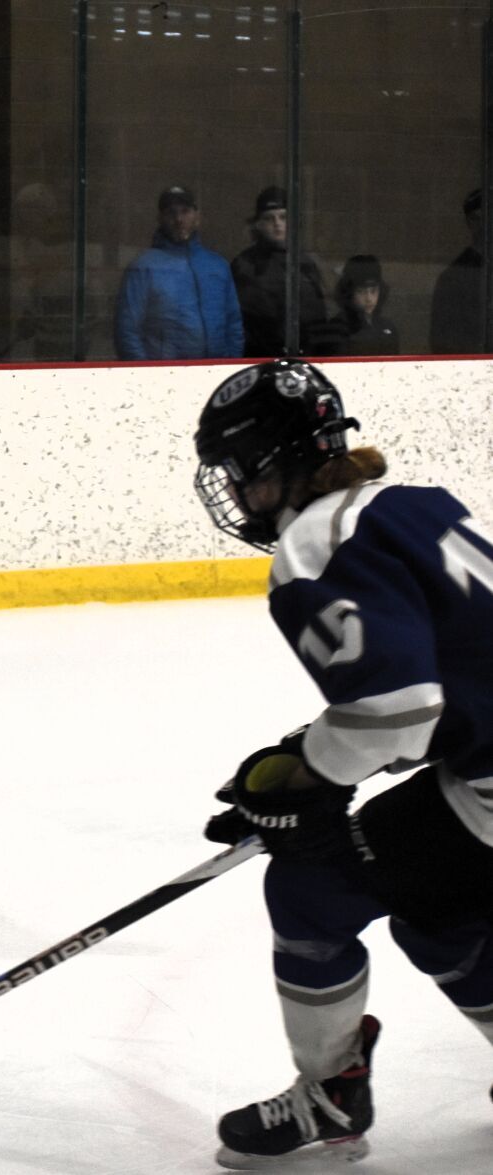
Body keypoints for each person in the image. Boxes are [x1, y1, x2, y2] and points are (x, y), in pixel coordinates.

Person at [192, 358, 493, 1168]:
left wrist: (317, 786)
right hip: (482, 778)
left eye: (234, 471)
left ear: (269, 462)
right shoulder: (413, 505)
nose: (233, 491)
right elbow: (445, 678)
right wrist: (303, 757)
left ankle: (329, 1097)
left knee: (310, 886)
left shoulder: (310, 542)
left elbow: (398, 708)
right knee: (440, 914)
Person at [114, 186, 243, 360]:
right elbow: (127, 329)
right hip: (162, 376)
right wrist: (145, 373)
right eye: (171, 212)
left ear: (197, 216)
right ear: (160, 218)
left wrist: (230, 364)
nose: (179, 219)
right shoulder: (143, 268)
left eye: (185, 211)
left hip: (217, 372)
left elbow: (233, 323)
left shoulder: (218, 266)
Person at [231, 186, 333, 357]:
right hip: (261, 359)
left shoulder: (306, 262)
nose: (277, 224)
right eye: (270, 218)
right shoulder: (245, 265)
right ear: (259, 224)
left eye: (283, 217)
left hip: (307, 357)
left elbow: (320, 313)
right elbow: (243, 321)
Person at [429, 189, 486, 355]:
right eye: (478, 218)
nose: (484, 225)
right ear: (470, 222)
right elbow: (442, 341)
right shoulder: (455, 276)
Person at [329, 255, 400, 357]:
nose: (369, 299)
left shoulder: (388, 327)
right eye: (361, 292)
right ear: (349, 293)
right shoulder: (337, 328)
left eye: (373, 291)